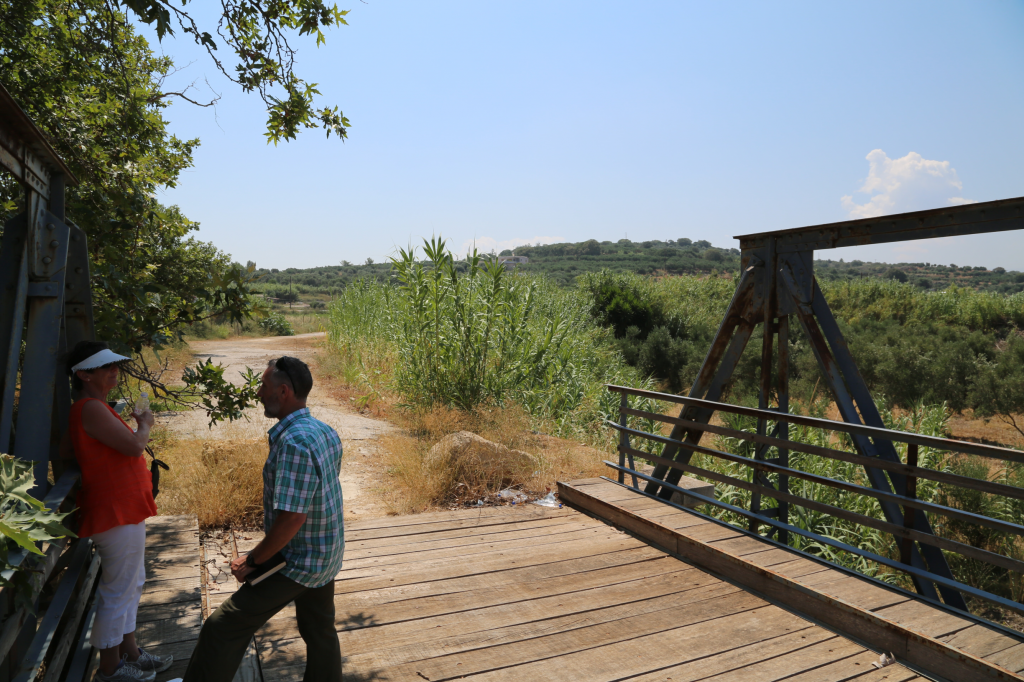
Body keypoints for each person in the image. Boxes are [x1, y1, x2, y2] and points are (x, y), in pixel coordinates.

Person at [181, 356, 345, 682]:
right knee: (320, 629)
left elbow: (292, 519)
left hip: (300, 560)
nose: (258, 393)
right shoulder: (323, 431)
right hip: (327, 553)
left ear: (283, 392)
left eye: (264, 386)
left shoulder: (294, 443)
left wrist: (253, 560)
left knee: (222, 626)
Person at [64, 341, 173, 682]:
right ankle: (111, 670)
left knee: (131, 583)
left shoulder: (95, 406)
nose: (115, 371)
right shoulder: (90, 407)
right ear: (84, 375)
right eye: (105, 367)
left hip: (122, 511)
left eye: (115, 365)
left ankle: (131, 653)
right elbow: (134, 445)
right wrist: (144, 424)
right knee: (118, 590)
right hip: (115, 512)